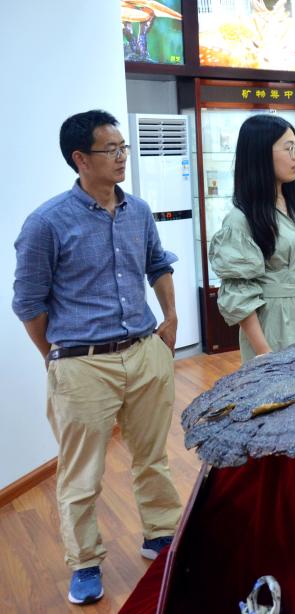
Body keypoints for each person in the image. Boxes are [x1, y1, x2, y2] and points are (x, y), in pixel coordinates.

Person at [12, 110, 183, 605]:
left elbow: (157, 264)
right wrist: (55, 356)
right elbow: (28, 303)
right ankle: (85, 561)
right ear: (80, 159)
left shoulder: (138, 211)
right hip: (82, 363)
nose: (122, 157)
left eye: (123, 147)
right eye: (111, 149)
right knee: (81, 472)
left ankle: (160, 534)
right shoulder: (46, 223)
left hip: (144, 352)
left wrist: (171, 316)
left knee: (152, 457)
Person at [209, 115, 295, 363]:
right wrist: (264, 353)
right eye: (289, 148)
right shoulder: (240, 220)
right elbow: (239, 293)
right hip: (274, 327)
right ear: (261, 154)